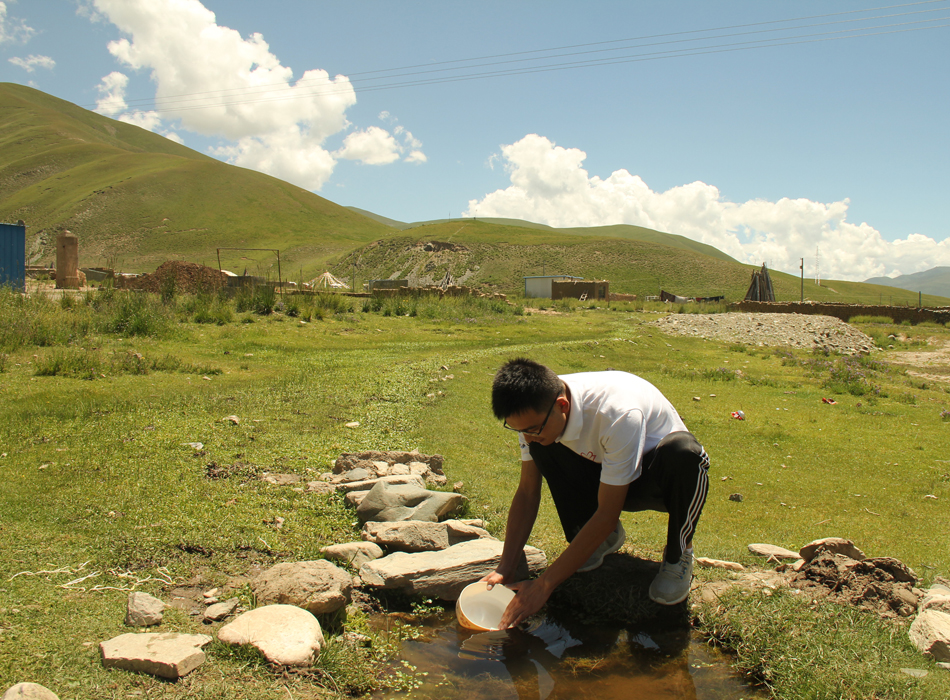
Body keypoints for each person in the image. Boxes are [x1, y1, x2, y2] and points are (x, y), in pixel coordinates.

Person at [482, 358, 709, 629]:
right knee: (544, 445)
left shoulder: (618, 413)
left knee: (685, 453)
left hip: (656, 480)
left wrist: (544, 585)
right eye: (519, 430)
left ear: (562, 406)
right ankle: (600, 539)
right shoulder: (537, 409)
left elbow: (607, 515)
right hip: (605, 470)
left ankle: (678, 554)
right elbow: (528, 492)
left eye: (530, 429)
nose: (526, 437)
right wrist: (504, 568)